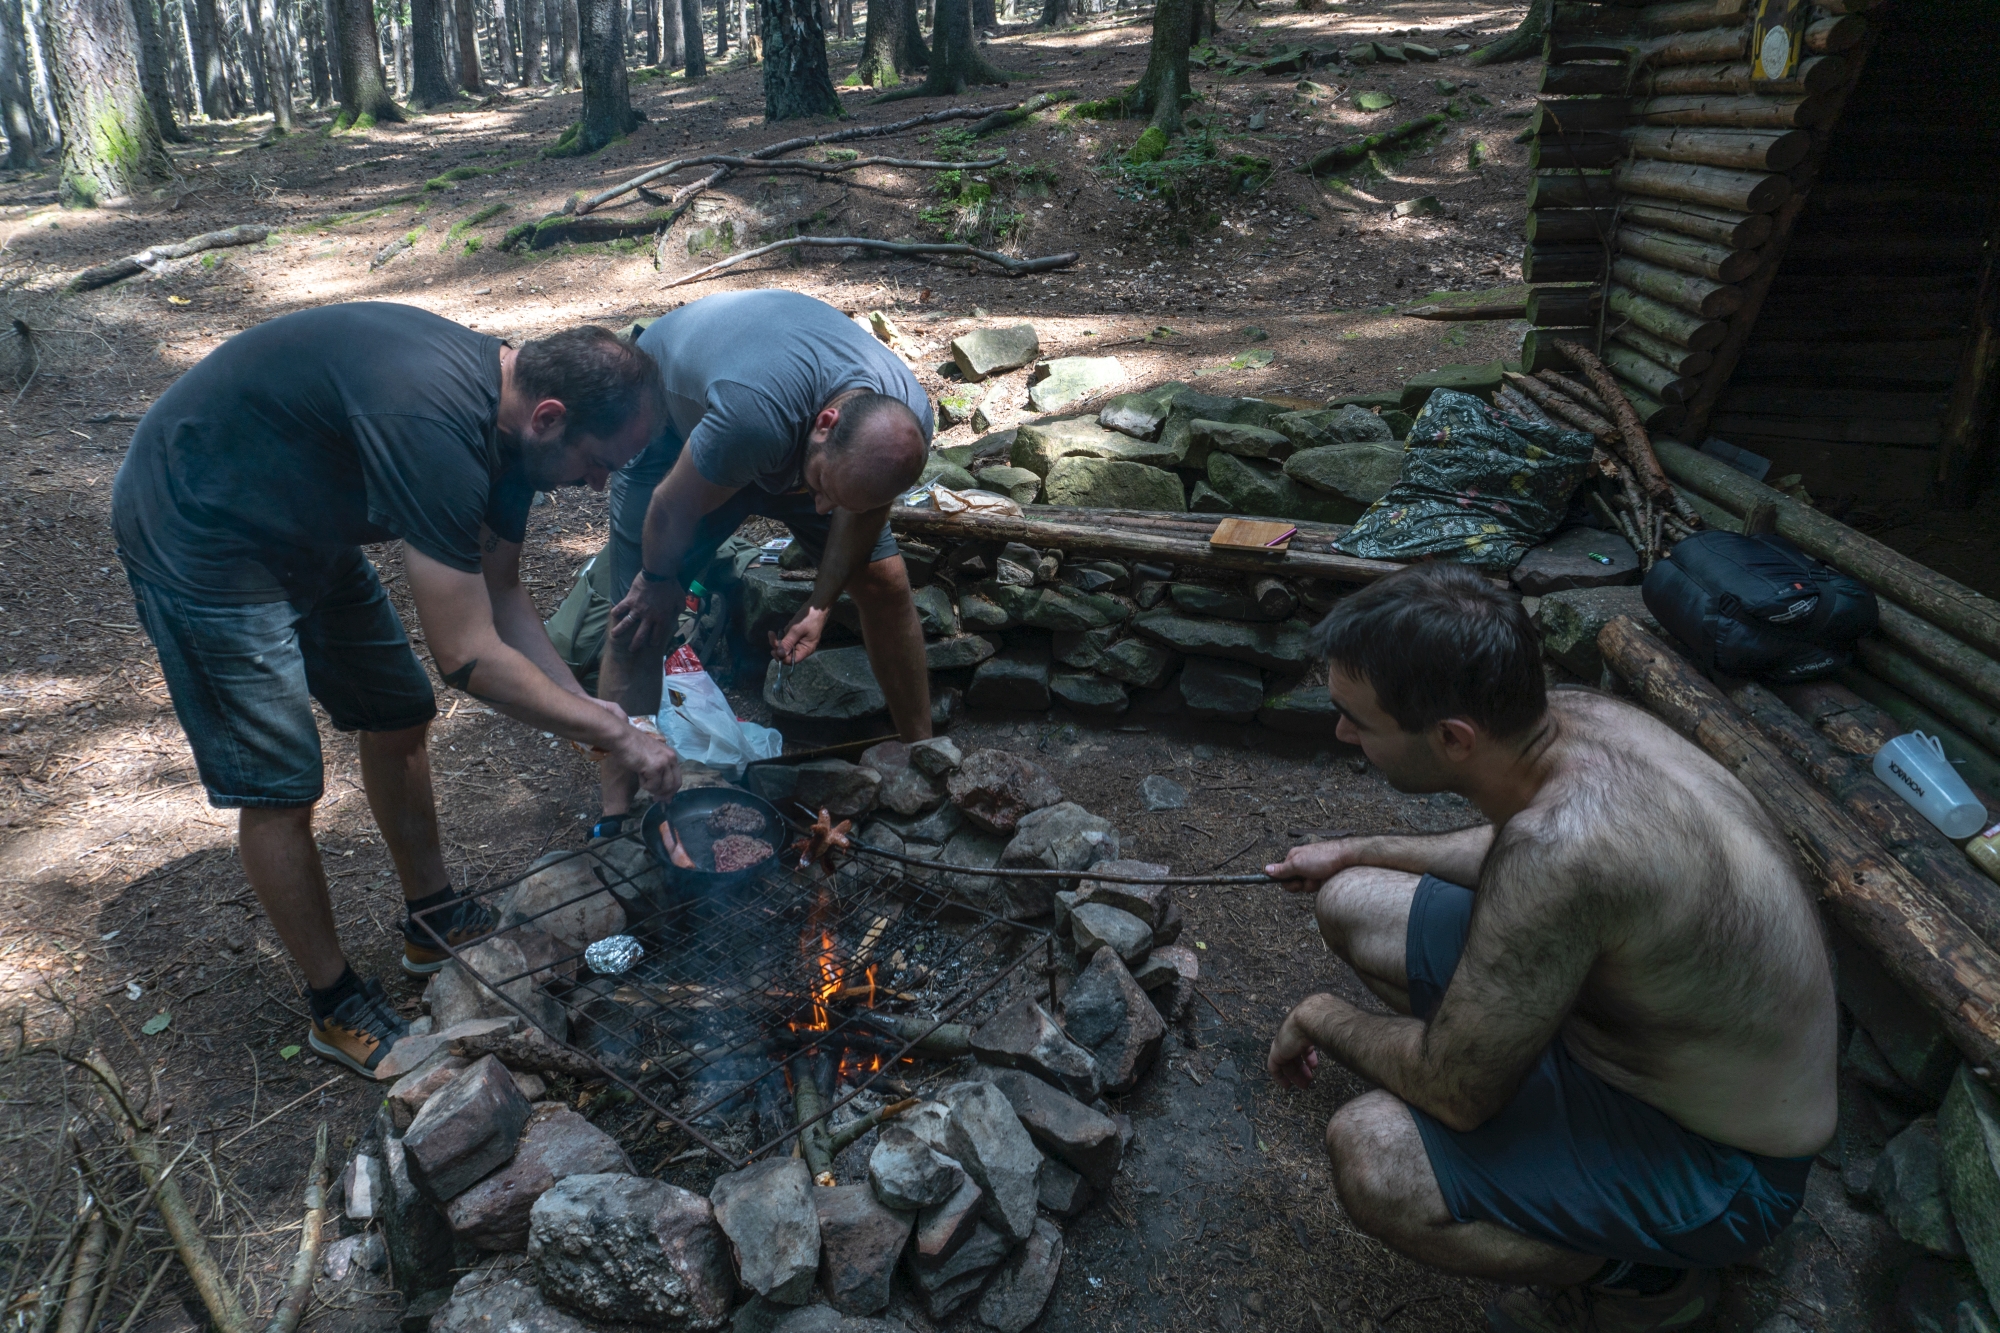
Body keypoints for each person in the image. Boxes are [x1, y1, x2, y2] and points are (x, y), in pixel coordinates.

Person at [1262, 563, 1836, 1333]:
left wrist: (1320, 1014)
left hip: (1724, 1165)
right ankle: (1551, 1139)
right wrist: (1351, 848)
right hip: (1638, 1038)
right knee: (1353, 898)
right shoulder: (1571, 719)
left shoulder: (1563, 852)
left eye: (1357, 721)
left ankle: (1650, 1277)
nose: (1342, 732)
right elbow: (1511, 850)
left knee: (1374, 1155)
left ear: (1452, 738)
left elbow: (1456, 1087)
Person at [111, 302, 677, 1077]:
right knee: (280, 784)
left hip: (307, 526)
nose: (597, 483)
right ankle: (334, 1002)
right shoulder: (435, 426)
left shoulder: (518, 437)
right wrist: (613, 731)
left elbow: (503, 594)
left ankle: (432, 917)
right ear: (550, 416)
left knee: (398, 711)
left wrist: (595, 715)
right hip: (200, 531)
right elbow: (467, 654)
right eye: (598, 462)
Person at [591, 289, 934, 836]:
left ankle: (925, 752)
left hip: (785, 446)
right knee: (638, 620)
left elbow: (857, 509)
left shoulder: (902, 428)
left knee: (885, 584)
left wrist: (821, 604)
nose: (820, 510)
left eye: (836, 500)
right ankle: (616, 816)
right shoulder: (754, 417)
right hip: (675, 424)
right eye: (822, 489)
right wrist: (658, 580)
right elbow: (669, 505)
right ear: (825, 422)